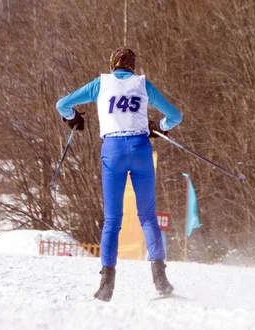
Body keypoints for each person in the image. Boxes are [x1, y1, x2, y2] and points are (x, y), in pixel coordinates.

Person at [56, 48, 182, 301]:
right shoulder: (143, 84)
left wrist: (73, 118)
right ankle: (160, 278)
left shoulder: (101, 84)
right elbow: (175, 116)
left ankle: (106, 285)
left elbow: (62, 104)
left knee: (113, 220)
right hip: (140, 150)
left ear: (112, 64)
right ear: (132, 66)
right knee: (147, 216)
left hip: (113, 151)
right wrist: (159, 127)